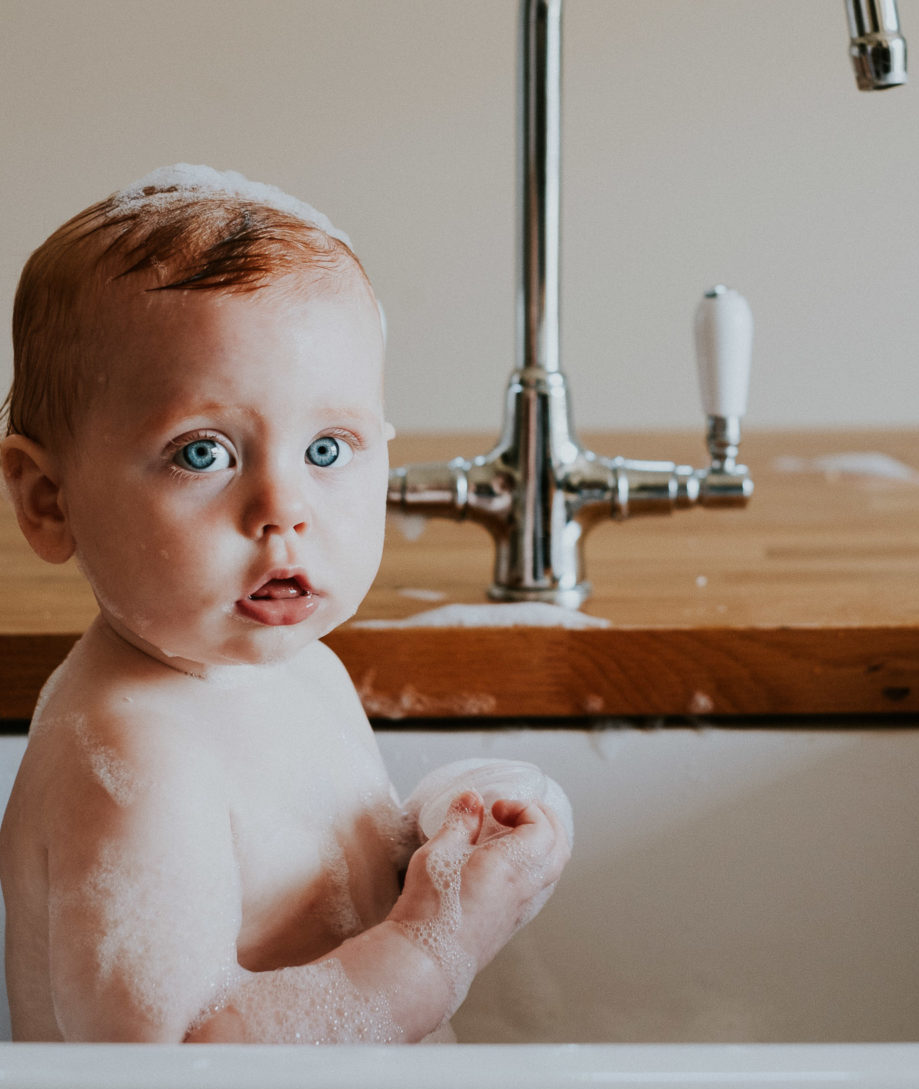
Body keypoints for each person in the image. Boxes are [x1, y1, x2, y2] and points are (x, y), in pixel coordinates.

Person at [0, 165, 570, 1043]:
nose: (283, 508)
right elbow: (178, 1068)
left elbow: (331, 882)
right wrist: (438, 944)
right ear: (48, 500)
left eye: (329, 449)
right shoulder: (132, 758)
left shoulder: (297, 670)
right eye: (202, 454)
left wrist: (446, 830)